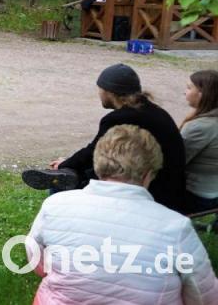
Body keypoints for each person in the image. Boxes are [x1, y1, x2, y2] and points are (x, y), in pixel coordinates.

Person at [25, 125, 218, 305]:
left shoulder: (55, 205)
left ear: (98, 164)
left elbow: (36, 257)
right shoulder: (176, 227)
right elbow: (204, 296)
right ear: (149, 174)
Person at [22, 63, 187, 212]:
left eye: (100, 89)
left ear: (110, 92)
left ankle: (59, 207)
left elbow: (94, 151)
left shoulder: (119, 118)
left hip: (155, 191)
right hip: (168, 183)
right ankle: (69, 174)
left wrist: (65, 164)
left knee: (63, 184)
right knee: (76, 173)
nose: (99, 93)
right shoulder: (152, 110)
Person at [180, 70, 218, 213]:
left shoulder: (201, 126)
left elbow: (177, 161)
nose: (185, 92)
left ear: (202, 94)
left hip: (197, 195)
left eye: (189, 88)